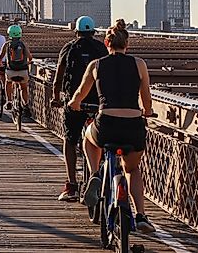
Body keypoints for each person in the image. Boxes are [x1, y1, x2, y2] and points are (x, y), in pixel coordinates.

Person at [68, 19, 156, 233]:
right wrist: (147, 111)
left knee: (88, 138)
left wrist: (74, 104)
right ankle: (141, 215)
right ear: (127, 44)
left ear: (106, 43)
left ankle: (96, 172)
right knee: (132, 169)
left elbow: (80, 93)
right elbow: (147, 99)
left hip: (106, 123)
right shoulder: (139, 64)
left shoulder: (96, 65)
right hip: (133, 126)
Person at [51, 16, 108, 201]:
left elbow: (59, 75)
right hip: (97, 103)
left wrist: (56, 97)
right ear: (93, 32)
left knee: (70, 140)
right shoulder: (101, 48)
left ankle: (72, 186)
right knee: (98, 139)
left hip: (75, 103)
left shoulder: (69, 48)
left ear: (76, 31)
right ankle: (98, 173)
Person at [0, 24, 32, 117]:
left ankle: (9, 101)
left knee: (8, 82)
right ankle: (25, 105)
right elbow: (30, 57)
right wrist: (28, 63)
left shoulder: (7, 44)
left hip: (11, 71)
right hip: (23, 71)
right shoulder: (23, 44)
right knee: (24, 88)